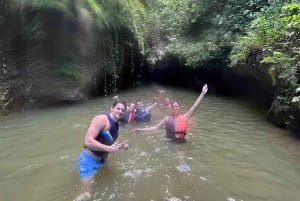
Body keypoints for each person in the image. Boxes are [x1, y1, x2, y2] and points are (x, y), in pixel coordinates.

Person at [74, 99, 129, 201]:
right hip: (88, 160)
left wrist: (122, 146)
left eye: (123, 110)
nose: (120, 111)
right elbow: (87, 140)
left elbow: (109, 143)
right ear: (112, 108)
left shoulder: (116, 125)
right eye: (118, 108)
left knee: (118, 174)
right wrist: (109, 148)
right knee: (86, 195)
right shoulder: (102, 119)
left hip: (102, 160)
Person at [133, 84, 208, 141]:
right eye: (173, 107)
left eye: (177, 106)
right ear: (171, 109)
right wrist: (140, 130)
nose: (175, 108)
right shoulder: (167, 119)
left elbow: (195, 106)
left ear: (179, 108)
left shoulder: (185, 117)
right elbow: (155, 128)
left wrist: (202, 93)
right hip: (170, 142)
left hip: (182, 142)